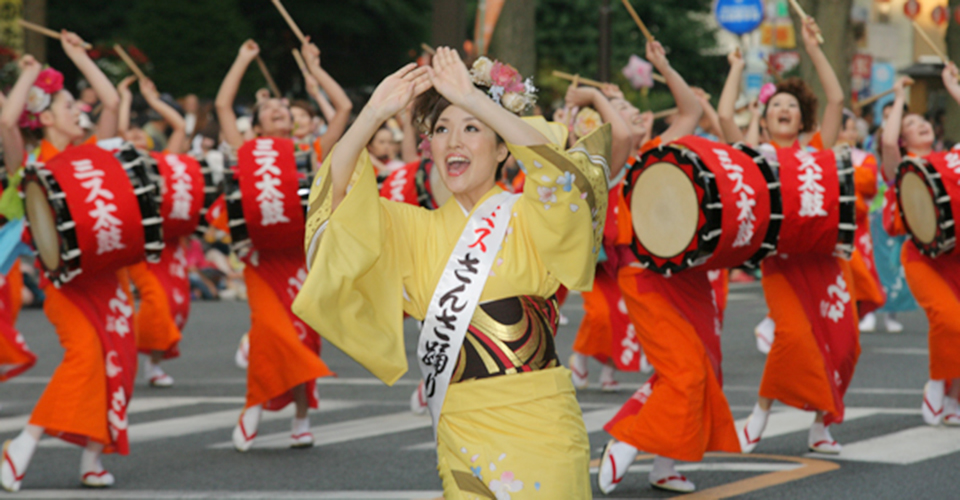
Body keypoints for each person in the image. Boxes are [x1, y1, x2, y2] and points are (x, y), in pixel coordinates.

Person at [294, 47, 614, 498]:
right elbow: (335, 205)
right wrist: (371, 115)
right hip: (457, 425)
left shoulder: (530, 214)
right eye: (441, 129)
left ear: (503, 148)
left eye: (471, 128)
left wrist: (475, 98)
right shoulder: (412, 229)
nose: (453, 142)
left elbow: (563, 178)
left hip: (539, 419)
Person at [598, 40, 740, 495]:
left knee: (702, 367)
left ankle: (665, 463)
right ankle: (628, 437)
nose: (634, 115)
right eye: (619, 112)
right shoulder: (610, 166)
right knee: (684, 369)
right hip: (643, 277)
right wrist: (594, 99)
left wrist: (663, 63)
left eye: (634, 109)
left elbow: (690, 110)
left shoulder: (661, 150)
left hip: (687, 274)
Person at [718, 17, 859, 455]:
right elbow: (723, 117)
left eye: (792, 105)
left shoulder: (817, 151)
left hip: (826, 262)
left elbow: (837, 99)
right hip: (780, 263)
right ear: (764, 117)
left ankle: (821, 426)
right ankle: (761, 410)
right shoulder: (754, 158)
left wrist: (813, 47)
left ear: (802, 117)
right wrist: (736, 68)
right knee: (794, 337)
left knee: (845, 345)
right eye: (776, 104)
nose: (784, 109)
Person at [0, 31, 130, 490]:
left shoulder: (93, 156)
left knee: (119, 364)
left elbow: (112, 102)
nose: (80, 111)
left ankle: (92, 459)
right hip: (65, 283)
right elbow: (7, 123)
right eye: (69, 105)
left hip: (109, 280)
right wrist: (29, 74)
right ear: (46, 117)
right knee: (85, 356)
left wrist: (79, 56)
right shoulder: (32, 166)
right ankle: (25, 443)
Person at [216, 39, 344, 451]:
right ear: (255, 126)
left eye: (284, 107)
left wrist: (316, 70)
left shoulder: (310, 152)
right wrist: (242, 59)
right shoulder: (245, 151)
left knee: (303, 338)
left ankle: (301, 419)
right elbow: (222, 105)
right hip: (260, 260)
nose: (279, 109)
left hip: (300, 260)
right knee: (271, 332)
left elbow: (343, 109)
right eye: (269, 108)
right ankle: (254, 404)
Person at [881, 71, 960, 426]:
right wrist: (899, 98)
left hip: (957, 257)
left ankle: (954, 400)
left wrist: (954, 88)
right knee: (948, 319)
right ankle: (937, 381)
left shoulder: (953, 157)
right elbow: (887, 143)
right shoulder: (904, 169)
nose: (921, 124)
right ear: (905, 139)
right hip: (923, 259)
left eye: (922, 119)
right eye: (910, 124)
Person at [837, 110, 886, 330]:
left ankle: (862, 309)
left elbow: (869, 182)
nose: (852, 134)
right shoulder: (823, 154)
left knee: (861, 271)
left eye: (853, 129)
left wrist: (844, 173)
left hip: (857, 223)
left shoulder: (864, 157)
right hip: (833, 224)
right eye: (846, 129)